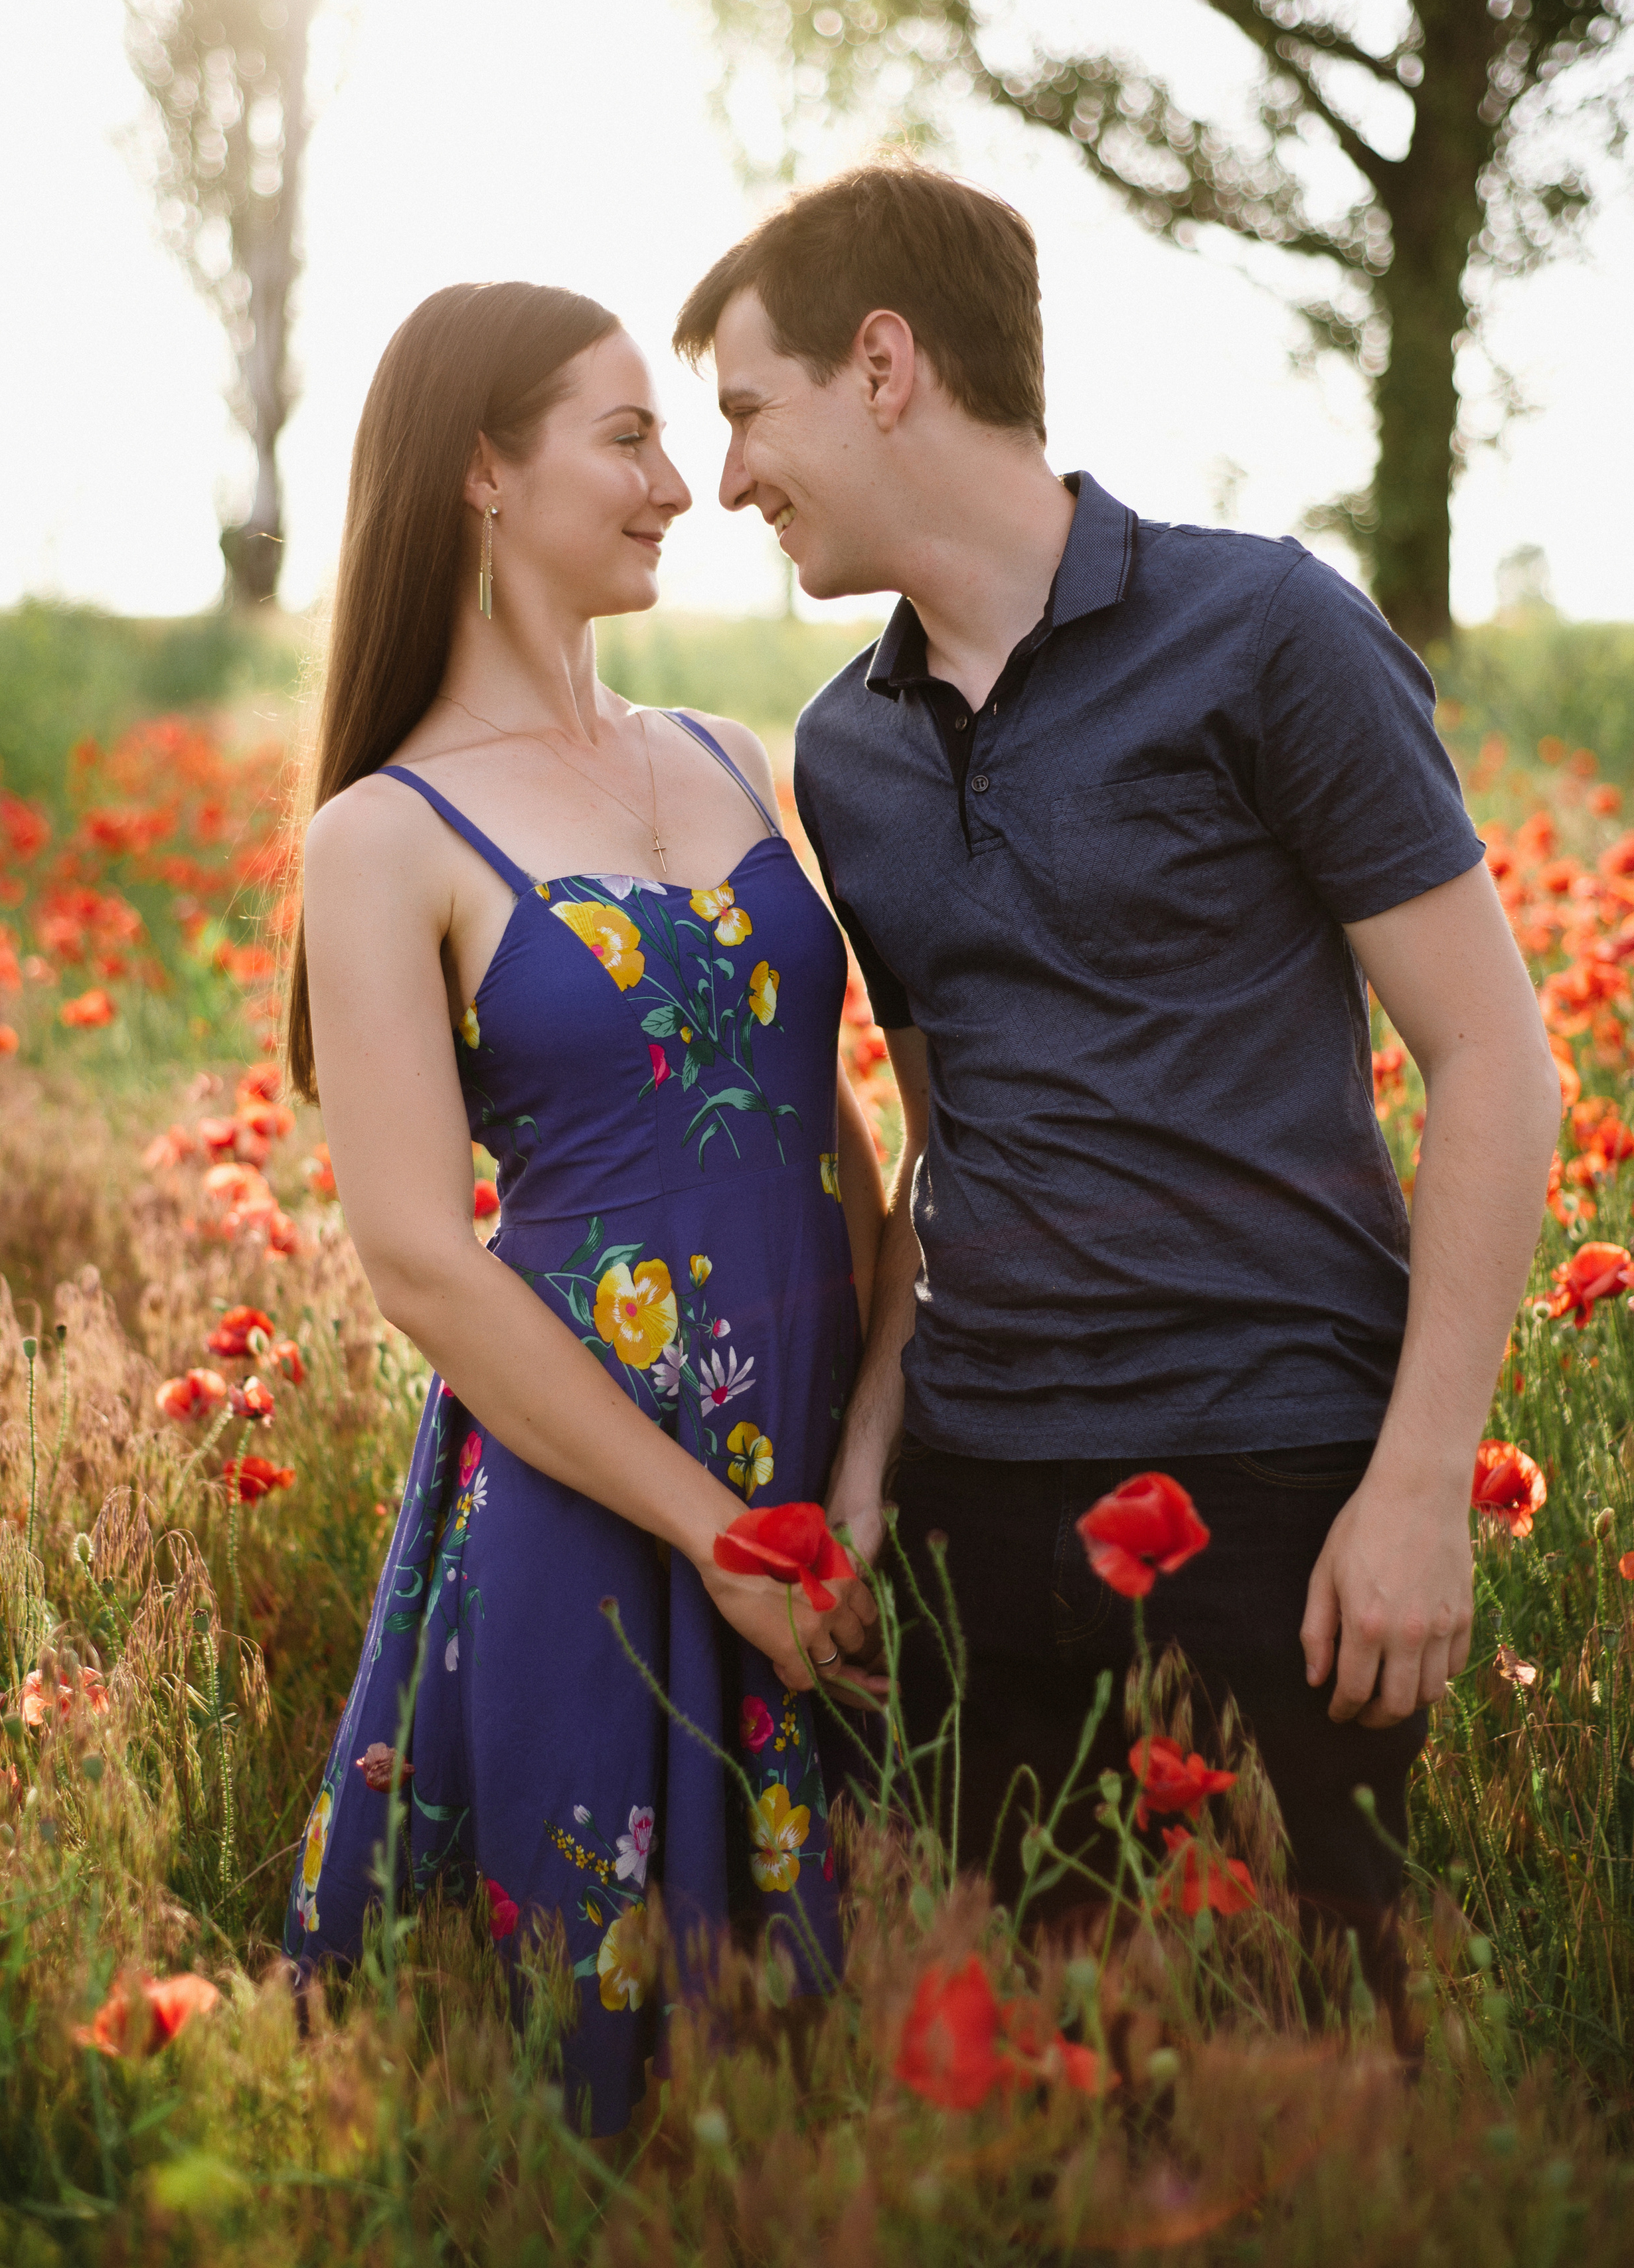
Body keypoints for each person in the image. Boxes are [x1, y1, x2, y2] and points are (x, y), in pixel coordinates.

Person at [672, 163, 1560, 2006]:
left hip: (1273, 1488)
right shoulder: (845, 751)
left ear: (885, 365)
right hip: (976, 1506)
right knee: (1029, 2079)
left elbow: (1493, 1055)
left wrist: (1417, 1484)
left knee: (1307, 2067)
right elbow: (945, 1143)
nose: (732, 476)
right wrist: (869, 1460)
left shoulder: (1269, 632)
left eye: (751, 409)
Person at [280, 280, 884, 2137]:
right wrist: (717, 1534)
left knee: (858, 2052)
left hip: (831, 1473)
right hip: (603, 1497)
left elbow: (836, 1131)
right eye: (627, 440)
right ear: (482, 469)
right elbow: (417, 1258)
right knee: (599, 2090)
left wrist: (872, 1456)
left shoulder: (724, 755)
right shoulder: (384, 835)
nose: (678, 487)